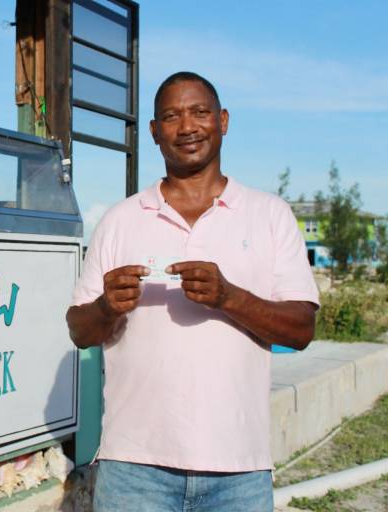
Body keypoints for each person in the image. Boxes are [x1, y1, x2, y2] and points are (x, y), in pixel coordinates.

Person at [66, 71, 319, 511]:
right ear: (153, 132)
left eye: (200, 113)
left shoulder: (270, 215)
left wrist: (229, 297)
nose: (187, 127)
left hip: (239, 471)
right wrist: (107, 307)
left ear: (222, 120)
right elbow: (79, 330)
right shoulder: (120, 220)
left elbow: (301, 330)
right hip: (133, 469)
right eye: (171, 116)